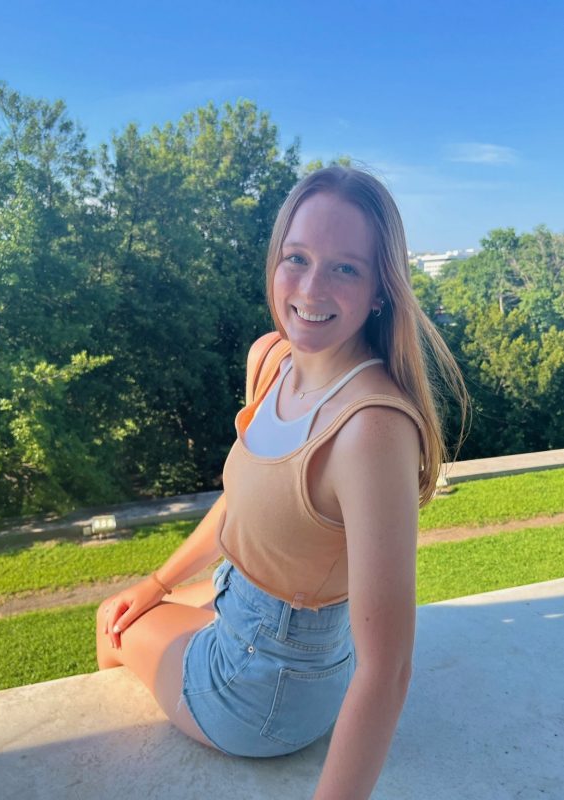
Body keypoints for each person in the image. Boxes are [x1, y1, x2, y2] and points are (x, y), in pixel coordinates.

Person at [96, 166, 468, 799]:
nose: (311, 287)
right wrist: (157, 581)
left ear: (381, 289)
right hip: (239, 610)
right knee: (139, 603)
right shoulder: (272, 359)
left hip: (267, 690)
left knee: (113, 622)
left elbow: (389, 668)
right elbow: (245, 502)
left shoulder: (370, 429)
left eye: (345, 268)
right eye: (297, 258)